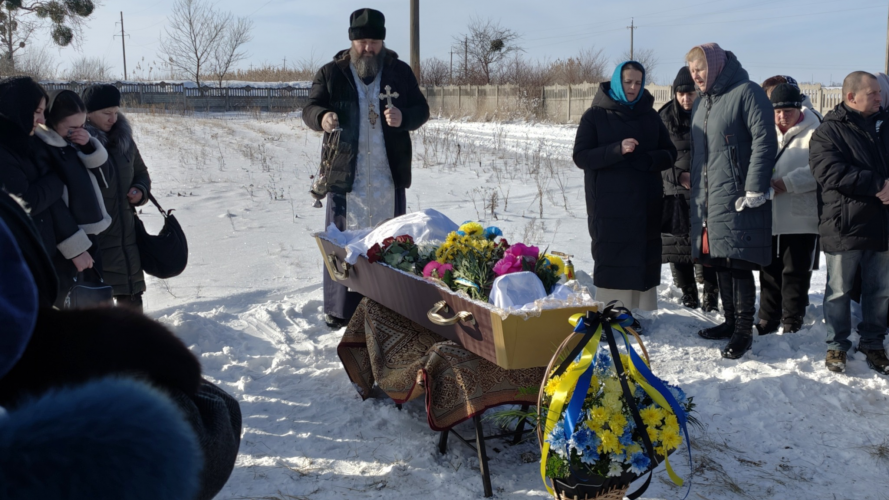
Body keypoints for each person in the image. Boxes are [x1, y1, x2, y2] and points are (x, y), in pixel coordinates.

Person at [303, 8, 430, 328]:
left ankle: (389, 305)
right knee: (345, 242)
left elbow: (422, 109)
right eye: (363, 42)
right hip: (348, 176)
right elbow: (310, 107)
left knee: (389, 240)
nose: (369, 48)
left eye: (375, 41)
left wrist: (404, 118)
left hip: (388, 176)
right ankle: (341, 309)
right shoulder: (332, 73)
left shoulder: (399, 71)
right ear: (352, 42)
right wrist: (322, 117)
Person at [686, 43, 777, 359]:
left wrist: (754, 187)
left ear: (717, 66)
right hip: (710, 197)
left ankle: (743, 331)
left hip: (738, 194)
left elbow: (765, 139)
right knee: (721, 259)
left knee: (739, 263)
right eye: (693, 71)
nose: (697, 76)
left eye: (701, 69)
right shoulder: (702, 104)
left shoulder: (747, 92)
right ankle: (729, 322)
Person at [573, 61, 677, 330]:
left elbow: (670, 153)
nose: (633, 88)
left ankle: (633, 311)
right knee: (614, 254)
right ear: (618, 82)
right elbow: (581, 156)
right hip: (609, 202)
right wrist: (617, 149)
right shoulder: (594, 115)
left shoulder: (650, 116)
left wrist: (649, 160)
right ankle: (613, 312)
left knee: (640, 253)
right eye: (628, 82)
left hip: (645, 200)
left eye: (638, 82)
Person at [809, 71, 889, 374]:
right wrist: (878, 184)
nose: (879, 98)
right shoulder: (829, 131)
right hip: (845, 225)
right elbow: (829, 171)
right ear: (851, 97)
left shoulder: (885, 125)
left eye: (879, 93)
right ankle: (836, 345)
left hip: (882, 223)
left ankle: (873, 342)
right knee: (839, 290)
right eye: (873, 93)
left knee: (880, 290)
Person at [0, 77, 95, 306]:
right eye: (37, 111)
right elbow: (25, 203)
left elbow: (50, 203)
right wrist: (57, 178)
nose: (42, 120)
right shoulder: (4, 150)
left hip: (41, 254)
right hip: (20, 260)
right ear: (17, 108)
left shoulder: (24, 142)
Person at [32, 89, 112, 307]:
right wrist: (74, 245)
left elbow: (107, 177)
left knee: (94, 299)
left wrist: (88, 145)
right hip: (68, 238)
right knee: (73, 301)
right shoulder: (44, 148)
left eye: (82, 126)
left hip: (90, 234)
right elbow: (52, 204)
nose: (77, 132)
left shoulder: (75, 144)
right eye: (71, 128)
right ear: (52, 122)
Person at [754, 83, 821, 335]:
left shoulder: (816, 129)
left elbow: (820, 168)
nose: (782, 116)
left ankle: (792, 318)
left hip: (800, 212)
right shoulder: (763, 128)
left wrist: (788, 182)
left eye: (788, 111)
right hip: (768, 210)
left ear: (798, 108)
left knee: (796, 269)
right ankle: (767, 317)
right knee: (768, 268)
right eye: (777, 111)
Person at [82, 84, 152, 313]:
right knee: (98, 311)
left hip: (127, 237)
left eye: (116, 112)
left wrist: (140, 191)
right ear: (88, 113)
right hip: (95, 239)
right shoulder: (80, 144)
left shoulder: (125, 140)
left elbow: (141, 173)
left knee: (132, 309)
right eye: (106, 113)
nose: (113, 118)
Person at [659, 66, 719, 312]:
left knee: (709, 247)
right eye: (681, 93)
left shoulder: (711, 114)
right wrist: (678, 175)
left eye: (691, 93)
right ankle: (689, 293)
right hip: (675, 193)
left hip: (708, 192)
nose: (686, 98)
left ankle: (711, 296)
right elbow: (656, 159)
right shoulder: (663, 119)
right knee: (679, 248)